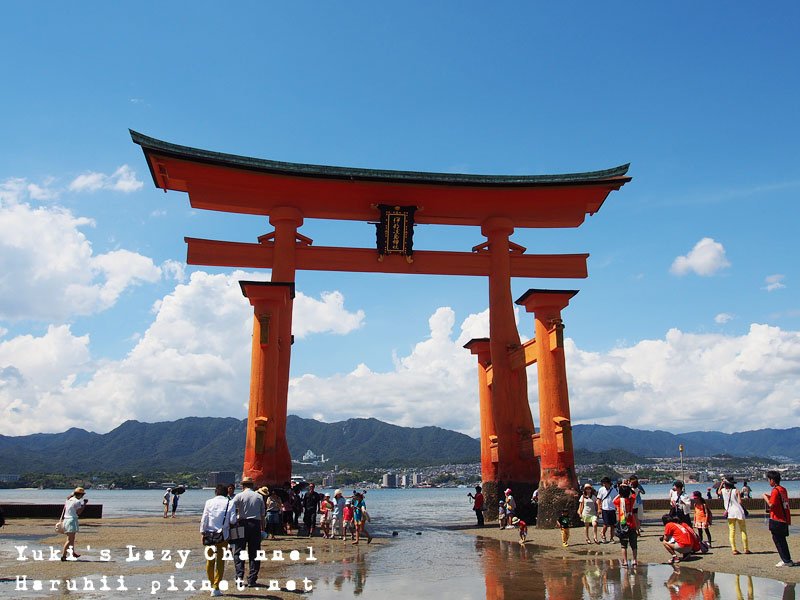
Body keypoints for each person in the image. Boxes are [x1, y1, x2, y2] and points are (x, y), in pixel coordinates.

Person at [200, 484, 235, 597]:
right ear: (226, 493)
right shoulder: (230, 502)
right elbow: (233, 520)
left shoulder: (208, 502)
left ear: (216, 492)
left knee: (210, 561)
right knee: (220, 561)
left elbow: (204, 518)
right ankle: (216, 587)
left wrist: (202, 532)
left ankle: (211, 584)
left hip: (209, 535)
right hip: (223, 536)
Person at [232, 476, 266, 587]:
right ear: (252, 485)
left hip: (241, 524)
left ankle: (239, 577)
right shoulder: (259, 497)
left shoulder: (239, 496)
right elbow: (262, 515)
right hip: (255, 525)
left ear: (243, 485)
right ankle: (252, 579)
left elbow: (231, 509)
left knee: (238, 551)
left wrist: (234, 520)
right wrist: (263, 529)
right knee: (255, 553)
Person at [764, 470, 793, 567]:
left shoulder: (775, 490)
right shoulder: (783, 489)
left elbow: (771, 504)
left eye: (769, 479)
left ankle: (786, 560)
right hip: (784, 518)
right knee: (782, 540)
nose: (769, 482)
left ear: (772, 480)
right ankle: (787, 559)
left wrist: (765, 497)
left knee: (778, 540)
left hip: (777, 519)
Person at [718, 476, 749, 555]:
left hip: (730, 512)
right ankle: (746, 549)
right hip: (738, 511)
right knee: (743, 530)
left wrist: (721, 484)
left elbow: (718, 492)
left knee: (732, 531)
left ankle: (734, 549)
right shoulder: (736, 491)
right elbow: (740, 502)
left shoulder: (723, 490)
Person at [613, 483, 638, 567]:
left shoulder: (619, 501)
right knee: (634, 545)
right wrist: (629, 487)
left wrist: (619, 493)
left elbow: (614, 500)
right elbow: (634, 494)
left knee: (624, 545)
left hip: (623, 523)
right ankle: (634, 560)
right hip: (632, 524)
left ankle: (625, 561)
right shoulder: (631, 500)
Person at [60, 487, 88, 561]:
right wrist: (84, 504)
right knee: (70, 539)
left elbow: (69, 496)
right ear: (81, 495)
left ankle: (72, 553)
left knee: (71, 539)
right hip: (72, 520)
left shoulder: (68, 500)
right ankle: (64, 556)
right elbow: (79, 512)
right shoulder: (77, 502)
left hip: (66, 519)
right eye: (82, 495)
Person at [597, 477, 618, 543]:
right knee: (605, 524)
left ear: (609, 483)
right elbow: (599, 499)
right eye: (603, 483)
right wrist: (599, 508)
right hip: (604, 509)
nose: (604, 485)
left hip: (612, 509)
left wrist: (617, 507)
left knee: (612, 525)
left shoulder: (614, 490)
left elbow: (616, 499)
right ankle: (603, 535)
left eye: (605, 483)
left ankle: (611, 538)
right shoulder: (601, 490)